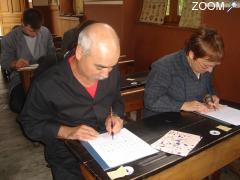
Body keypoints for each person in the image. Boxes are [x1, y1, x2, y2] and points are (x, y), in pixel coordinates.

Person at [19, 23, 124, 180]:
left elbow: (116, 99)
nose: (107, 75)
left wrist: (115, 115)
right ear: (80, 52)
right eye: (100, 67)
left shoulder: (110, 71)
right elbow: (29, 124)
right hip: (66, 154)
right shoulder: (47, 84)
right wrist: (67, 132)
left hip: (107, 143)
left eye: (111, 67)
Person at [144, 27, 224, 118]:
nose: (210, 70)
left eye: (214, 66)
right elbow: (151, 100)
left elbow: (208, 88)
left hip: (192, 118)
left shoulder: (207, 66)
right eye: (206, 66)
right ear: (192, 55)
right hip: (162, 120)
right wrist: (183, 105)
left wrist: (209, 98)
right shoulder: (164, 66)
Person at [0, 8, 56, 113]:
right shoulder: (10, 38)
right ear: (23, 23)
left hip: (44, 76)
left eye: (38, 30)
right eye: (31, 30)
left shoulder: (45, 32)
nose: (35, 34)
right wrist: (14, 63)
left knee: (54, 101)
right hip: (19, 79)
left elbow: (51, 55)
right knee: (18, 105)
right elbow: (4, 61)